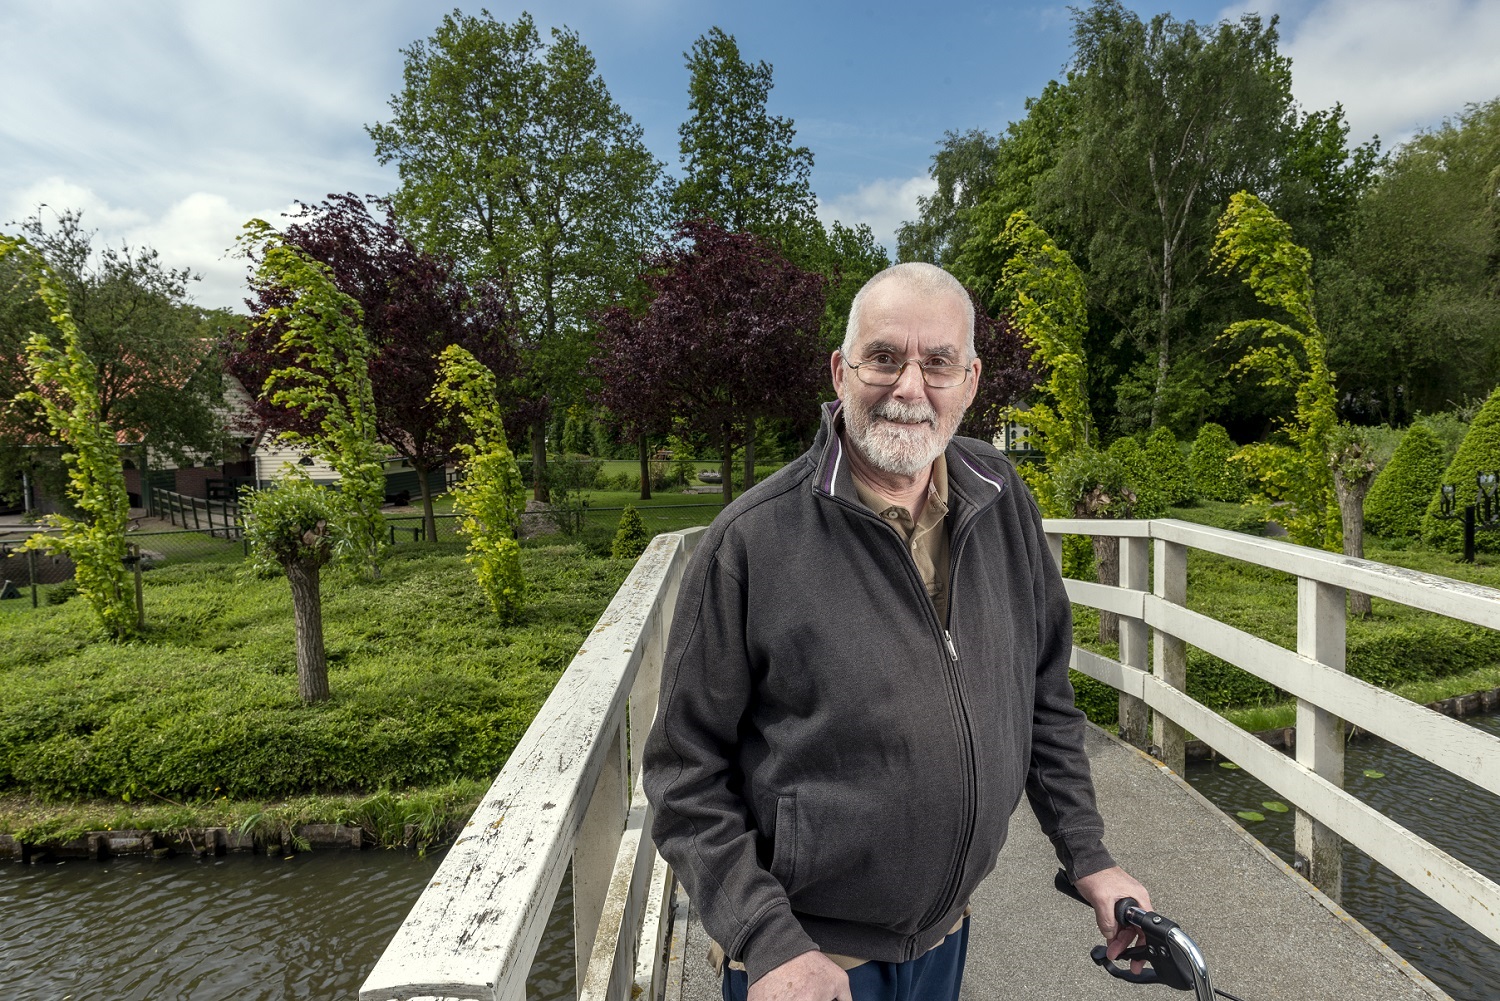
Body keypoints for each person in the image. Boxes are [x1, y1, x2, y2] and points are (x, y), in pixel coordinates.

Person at [642, 262, 1152, 1001]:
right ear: (841, 371)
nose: (909, 387)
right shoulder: (752, 542)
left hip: (945, 934)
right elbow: (682, 774)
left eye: (937, 362)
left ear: (971, 381)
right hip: (810, 961)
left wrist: (1089, 856)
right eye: (884, 357)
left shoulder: (1003, 500)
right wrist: (765, 936)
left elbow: (1043, 699)